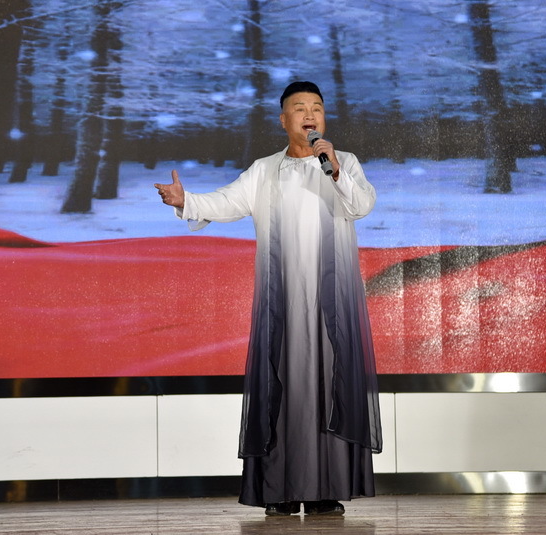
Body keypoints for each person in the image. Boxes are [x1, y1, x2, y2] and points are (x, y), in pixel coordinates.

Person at [154, 81, 382, 516]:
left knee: (330, 387)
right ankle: (280, 490)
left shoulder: (343, 162)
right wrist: (187, 201)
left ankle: (327, 489)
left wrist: (334, 169)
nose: (310, 115)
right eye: (300, 108)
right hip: (283, 302)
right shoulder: (264, 170)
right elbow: (226, 202)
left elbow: (361, 205)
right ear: (283, 120)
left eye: (317, 107)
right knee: (284, 389)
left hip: (333, 302)